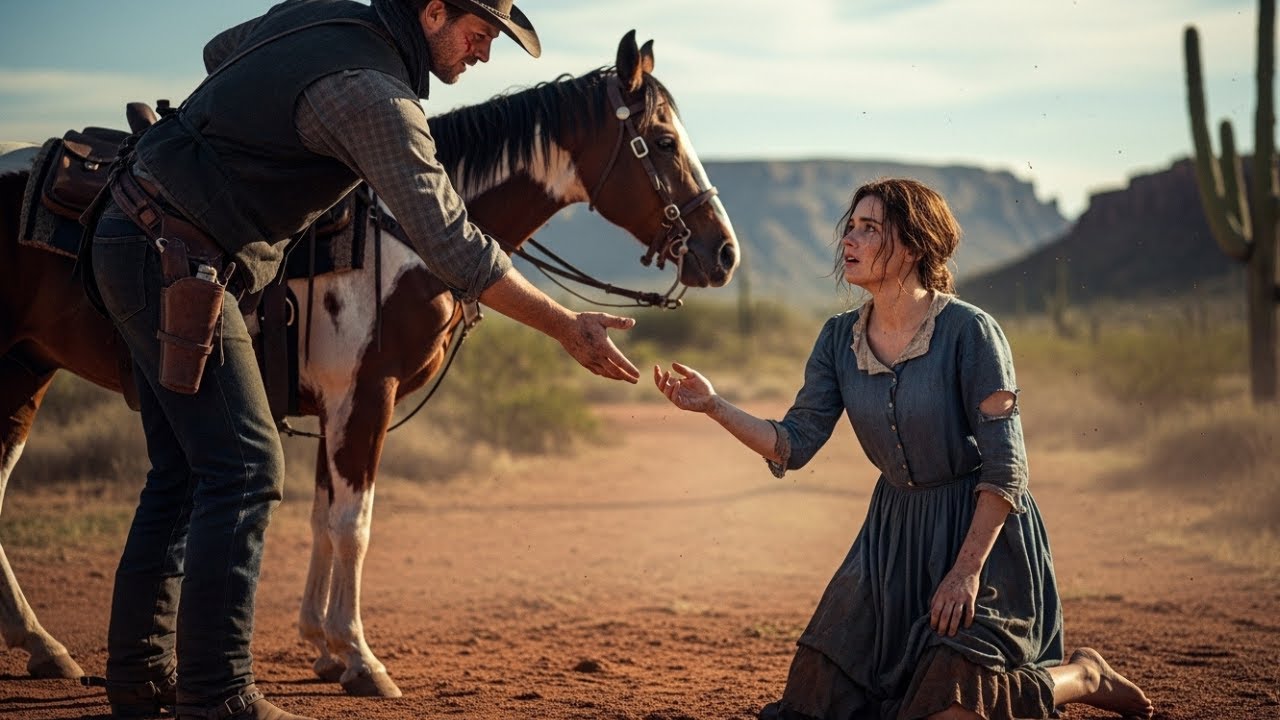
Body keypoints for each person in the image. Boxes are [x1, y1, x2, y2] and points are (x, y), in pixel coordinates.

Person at [87, 1, 640, 719]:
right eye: (478, 36)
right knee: (246, 468)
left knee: (184, 471)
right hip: (178, 259)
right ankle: (218, 694)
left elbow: (219, 50)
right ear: (434, 11)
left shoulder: (321, 17)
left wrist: (278, 135)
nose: (483, 57)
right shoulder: (378, 98)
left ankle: (139, 676)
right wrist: (565, 325)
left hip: (129, 234)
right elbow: (452, 246)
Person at [652, 179, 1153, 720]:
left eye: (870, 228)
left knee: (950, 707)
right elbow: (793, 444)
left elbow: (1008, 468)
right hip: (889, 543)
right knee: (816, 702)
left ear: (913, 246)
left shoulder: (971, 332)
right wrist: (714, 405)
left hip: (979, 534)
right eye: (851, 226)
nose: (850, 238)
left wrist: (965, 572)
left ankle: (1083, 676)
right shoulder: (836, 339)